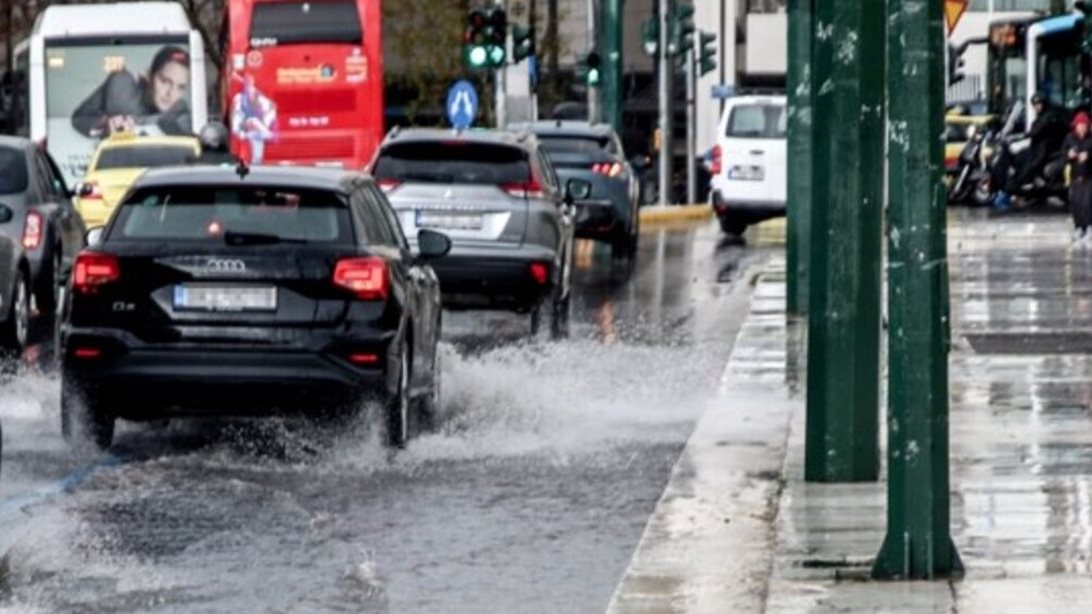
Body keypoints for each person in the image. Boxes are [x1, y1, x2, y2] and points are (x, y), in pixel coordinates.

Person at [71, 46, 191, 138]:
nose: (171, 93)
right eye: (165, 81)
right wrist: (105, 126)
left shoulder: (181, 112)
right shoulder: (121, 87)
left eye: (180, 87)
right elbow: (80, 118)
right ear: (149, 75)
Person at [992, 92, 1070, 210]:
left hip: (1045, 149)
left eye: (1039, 103)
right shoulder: (1042, 116)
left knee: (1028, 166)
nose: (1036, 107)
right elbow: (1034, 130)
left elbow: (1036, 130)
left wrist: (1017, 137)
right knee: (1020, 157)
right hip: (1039, 147)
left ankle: (1013, 189)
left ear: (1044, 103)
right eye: (1034, 104)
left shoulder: (1049, 116)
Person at [230, 75, 276, 165]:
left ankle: (255, 163)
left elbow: (270, 108)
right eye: (247, 82)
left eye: (250, 82)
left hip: (257, 131)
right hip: (244, 132)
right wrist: (242, 127)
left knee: (257, 157)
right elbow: (235, 118)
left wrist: (261, 124)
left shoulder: (260, 98)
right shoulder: (239, 99)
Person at [1066, 112, 1092, 243]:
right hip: (1075, 175)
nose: (1082, 128)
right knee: (1076, 203)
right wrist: (1069, 155)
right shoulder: (1070, 138)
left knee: (1087, 203)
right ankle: (1079, 228)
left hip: (1088, 175)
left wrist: (1088, 156)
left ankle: (1089, 227)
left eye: (1084, 126)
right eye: (1080, 125)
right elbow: (1063, 153)